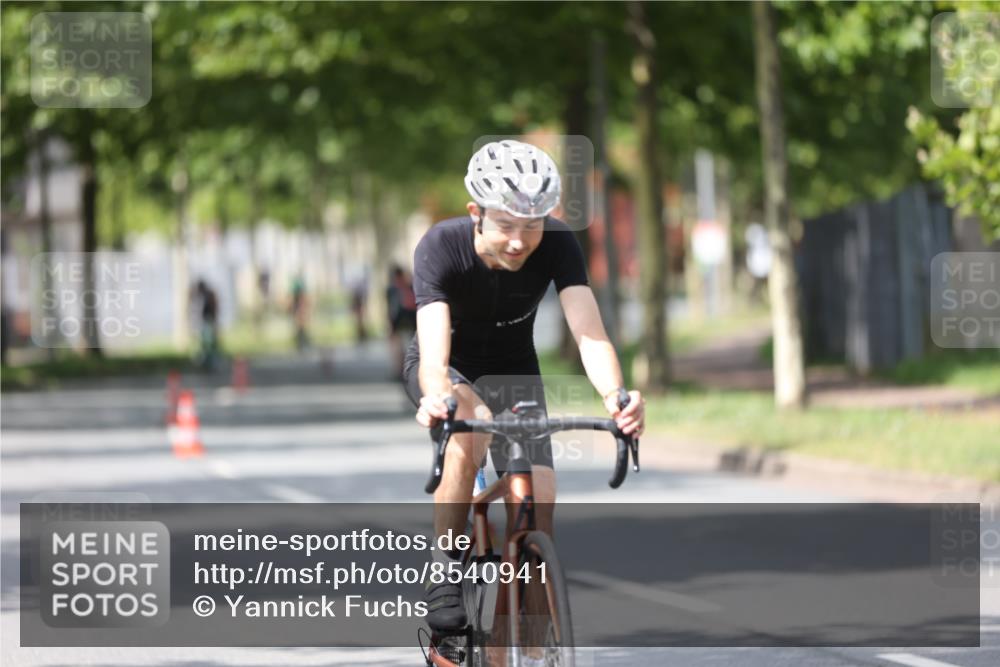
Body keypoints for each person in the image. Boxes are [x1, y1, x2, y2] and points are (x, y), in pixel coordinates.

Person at [405, 140, 645, 638]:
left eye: (531, 225)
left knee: (540, 498)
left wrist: (617, 398)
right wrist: (437, 394)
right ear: (476, 213)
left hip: (514, 369)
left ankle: (518, 645)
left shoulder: (558, 243)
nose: (519, 241)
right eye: (506, 226)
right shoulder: (440, 246)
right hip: (451, 370)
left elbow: (590, 334)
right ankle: (447, 566)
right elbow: (434, 355)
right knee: (473, 432)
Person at [386, 264, 417, 379]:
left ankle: (400, 370)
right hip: (409, 320)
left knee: (400, 347)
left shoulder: (392, 289)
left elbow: (391, 309)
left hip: (401, 321)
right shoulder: (409, 286)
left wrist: (391, 324)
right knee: (407, 346)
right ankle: (405, 369)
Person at [193, 279, 220, 371]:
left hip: (208, 321)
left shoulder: (208, 295)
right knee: (205, 345)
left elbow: (213, 309)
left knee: (208, 345)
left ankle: (210, 364)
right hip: (205, 322)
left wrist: (215, 322)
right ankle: (206, 364)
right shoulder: (203, 296)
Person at [290, 274, 310, 352]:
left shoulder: (300, 296)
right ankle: (301, 344)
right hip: (298, 313)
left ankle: (302, 343)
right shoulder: (297, 297)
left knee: (301, 329)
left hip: (300, 314)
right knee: (300, 329)